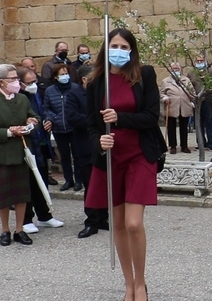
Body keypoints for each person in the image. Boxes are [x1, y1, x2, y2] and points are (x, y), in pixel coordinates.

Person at [86, 28, 162, 301]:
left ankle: (141, 283)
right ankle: (129, 284)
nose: (118, 51)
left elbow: (151, 116)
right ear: (105, 49)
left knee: (133, 223)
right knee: (117, 223)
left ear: (132, 50)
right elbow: (91, 124)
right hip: (111, 158)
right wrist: (99, 141)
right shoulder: (96, 82)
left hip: (139, 154)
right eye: (114, 46)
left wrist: (119, 118)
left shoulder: (144, 75)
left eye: (124, 47)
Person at [0, 64, 40, 246]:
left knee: (22, 194)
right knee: (3, 196)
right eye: (13, 79)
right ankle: (5, 230)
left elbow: (34, 118)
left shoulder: (22, 99)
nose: (17, 82)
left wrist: (32, 122)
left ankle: (20, 230)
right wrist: (9, 132)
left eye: (17, 78)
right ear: (1, 82)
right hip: (0, 157)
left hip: (20, 154)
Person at [17, 67, 64, 234]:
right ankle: (26, 219)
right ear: (20, 83)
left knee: (42, 180)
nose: (33, 85)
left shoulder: (36, 94)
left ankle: (44, 215)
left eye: (34, 81)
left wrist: (48, 119)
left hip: (41, 143)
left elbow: (43, 110)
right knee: (28, 183)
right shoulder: (18, 98)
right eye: (29, 82)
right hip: (27, 145)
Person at [72, 65, 109, 239]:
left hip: (103, 145)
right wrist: (96, 121)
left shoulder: (101, 92)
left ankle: (103, 217)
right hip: (86, 145)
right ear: (85, 79)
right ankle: (92, 220)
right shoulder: (74, 94)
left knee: (104, 184)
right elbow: (73, 116)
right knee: (91, 185)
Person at [43, 64, 84, 192]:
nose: (65, 76)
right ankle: (68, 180)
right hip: (59, 128)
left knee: (77, 155)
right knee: (64, 156)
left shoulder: (75, 88)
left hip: (74, 127)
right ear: (56, 77)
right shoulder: (49, 91)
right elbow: (46, 108)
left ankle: (79, 180)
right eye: (62, 74)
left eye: (66, 73)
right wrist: (52, 118)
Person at [160, 62, 195, 154]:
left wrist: (192, 99)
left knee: (184, 127)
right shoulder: (166, 81)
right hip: (171, 106)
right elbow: (161, 93)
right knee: (171, 127)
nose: (176, 70)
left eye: (177, 69)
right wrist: (165, 98)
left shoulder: (186, 80)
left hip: (184, 105)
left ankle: (184, 146)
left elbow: (192, 91)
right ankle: (173, 146)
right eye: (174, 69)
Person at [187, 55, 212, 150]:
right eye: (198, 61)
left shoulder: (210, 71)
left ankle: (211, 143)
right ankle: (201, 143)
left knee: (209, 123)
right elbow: (188, 85)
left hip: (208, 100)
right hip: (197, 101)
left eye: (201, 61)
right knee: (198, 123)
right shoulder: (191, 72)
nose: (199, 62)